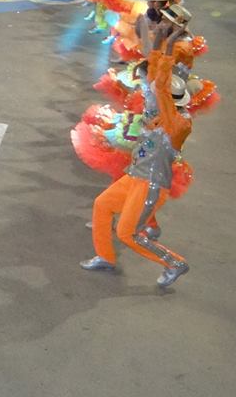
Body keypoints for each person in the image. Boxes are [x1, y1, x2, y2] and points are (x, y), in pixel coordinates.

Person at [80, 23, 192, 288]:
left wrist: (167, 48)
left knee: (127, 233)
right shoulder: (158, 113)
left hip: (151, 184)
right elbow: (155, 76)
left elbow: (160, 85)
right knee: (102, 205)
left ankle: (174, 262)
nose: (148, 93)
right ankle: (105, 256)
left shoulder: (179, 124)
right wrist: (161, 42)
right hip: (135, 176)